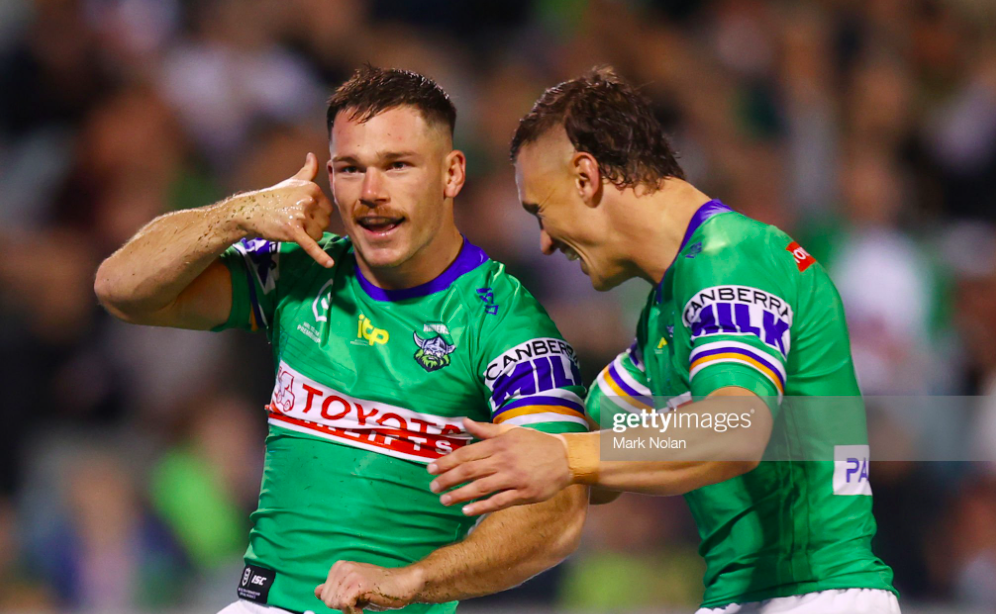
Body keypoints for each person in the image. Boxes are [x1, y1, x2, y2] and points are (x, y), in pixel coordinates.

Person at [94, 66, 589, 614]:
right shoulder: (300, 269)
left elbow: (558, 513)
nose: (371, 193)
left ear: (451, 174)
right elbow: (121, 288)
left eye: (397, 165)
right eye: (352, 169)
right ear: (329, 177)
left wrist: (416, 578)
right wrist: (238, 215)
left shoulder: (506, 326)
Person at [426, 68, 900, 614]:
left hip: (817, 595)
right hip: (753, 599)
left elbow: (736, 427)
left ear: (586, 177)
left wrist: (564, 454)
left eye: (540, 211)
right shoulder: (666, 317)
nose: (545, 242)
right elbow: (579, 452)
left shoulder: (732, 257)